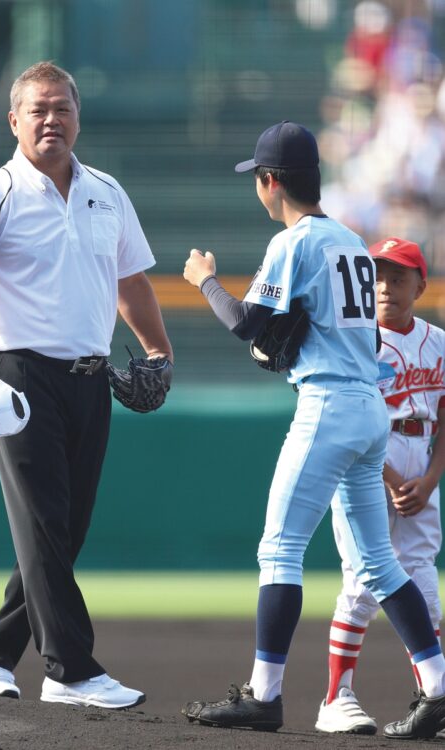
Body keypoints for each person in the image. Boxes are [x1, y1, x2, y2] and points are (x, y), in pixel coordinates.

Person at [180, 120, 445, 739]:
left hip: (327, 403)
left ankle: (264, 693)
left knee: (279, 549)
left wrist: (204, 281)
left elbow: (248, 323)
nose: (259, 189)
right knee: (379, 560)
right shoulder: (352, 241)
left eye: (259, 179)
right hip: (369, 409)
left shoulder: (294, 241)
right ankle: (437, 686)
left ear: (270, 182)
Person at [0, 61, 172, 709]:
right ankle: (71, 671)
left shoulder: (108, 193)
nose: (50, 119)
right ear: (14, 121)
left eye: (61, 108)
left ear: (77, 118)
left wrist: (158, 349)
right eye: (37, 110)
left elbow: (133, 282)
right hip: (18, 377)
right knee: (42, 525)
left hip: (91, 380)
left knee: (64, 530)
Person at [315, 237, 445, 734]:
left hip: (422, 462)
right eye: (377, 276)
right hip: (368, 463)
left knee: (424, 586)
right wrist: (391, 478)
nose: (386, 286)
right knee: (363, 581)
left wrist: (430, 480)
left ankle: (431, 702)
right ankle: (336, 697)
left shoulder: (437, 340)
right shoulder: (354, 338)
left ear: (420, 284)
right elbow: (343, 418)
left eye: (398, 276)